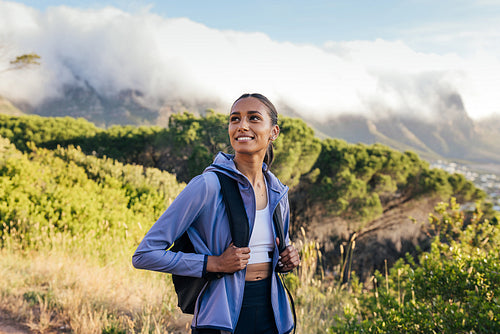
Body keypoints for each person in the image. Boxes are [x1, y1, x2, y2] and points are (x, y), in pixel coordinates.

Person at [132, 93, 301, 334]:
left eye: (253, 118)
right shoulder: (207, 185)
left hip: (272, 315)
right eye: (235, 119)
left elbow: (270, 251)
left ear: (273, 132)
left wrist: (286, 259)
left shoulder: (277, 191)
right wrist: (213, 263)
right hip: (221, 318)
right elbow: (144, 254)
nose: (242, 126)